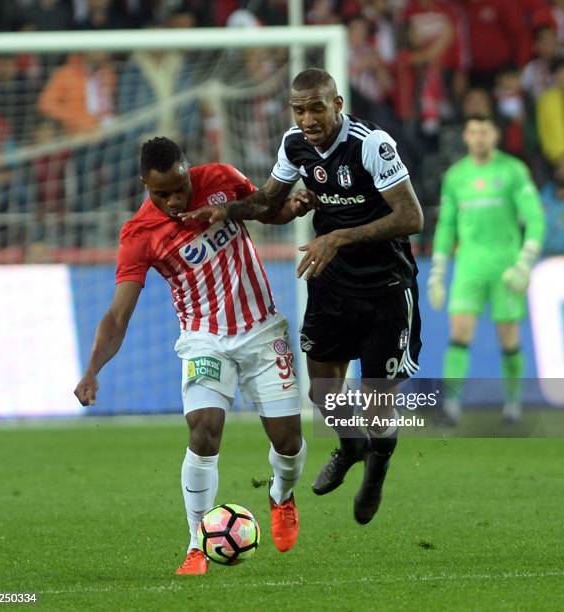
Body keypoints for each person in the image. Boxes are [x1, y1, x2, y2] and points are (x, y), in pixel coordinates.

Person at [180, 68, 424, 525]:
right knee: (324, 392)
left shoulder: (371, 145)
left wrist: (338, 238)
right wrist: (226, 210)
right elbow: (269, 202)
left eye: (316, 107)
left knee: (377, 405)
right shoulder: (294, 144)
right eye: (299, 108)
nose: (308, 117)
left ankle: (376, 471)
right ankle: (351, 448)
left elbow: (411, 217)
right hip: (332, 282)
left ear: (337, 104)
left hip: (386, 288)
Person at [73, 137, 309, 575]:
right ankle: (197, 543)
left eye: (180, 187)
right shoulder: (139, 235)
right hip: (204, 338)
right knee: (204, 432)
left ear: (188, 170)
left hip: (261, 329)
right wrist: (92, 370)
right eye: (161, 193)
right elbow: (118, 314)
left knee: (289, 442)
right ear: (145, 184)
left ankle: (281, 494)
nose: (174, 199)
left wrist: (290, 210)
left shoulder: (220, 178)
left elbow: (263, 209)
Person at [428, 114, 546, 424]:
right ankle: (451, 407)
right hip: (469, 267)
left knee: (508, 338)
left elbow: (534, 218)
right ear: (465, 136)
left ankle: (513, 406)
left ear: (495, 135)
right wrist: (438, 271)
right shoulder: (456, 176)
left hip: (505, 267)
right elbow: (447, 224)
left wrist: (525, 262)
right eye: (473, 132)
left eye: (485, 131)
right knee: (459, 334)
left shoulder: (512, 171)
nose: (479, 137)